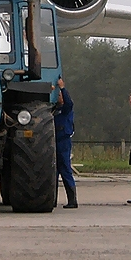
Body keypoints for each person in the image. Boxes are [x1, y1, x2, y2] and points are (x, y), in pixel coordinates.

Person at [54, 77, 76, 209]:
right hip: (53, 141)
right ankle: (52, 199)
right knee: (53, 172)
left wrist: (62, 88)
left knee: (66, 170)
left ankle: (72, 200)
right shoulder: (54, 110)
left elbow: (69, 102)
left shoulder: (66, 109)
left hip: (63, 140)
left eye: (60, 95)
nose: (59, 97)